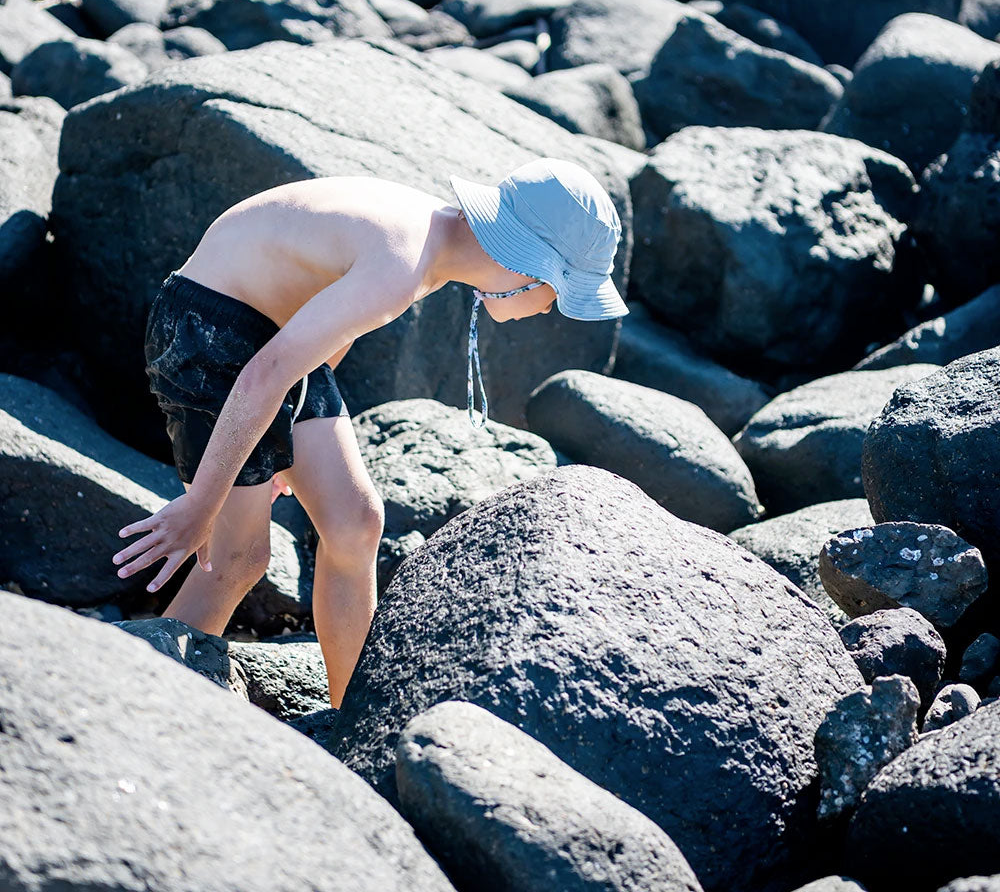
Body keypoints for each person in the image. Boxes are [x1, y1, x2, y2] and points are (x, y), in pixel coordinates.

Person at [113, 156, 628, 707]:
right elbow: (264, 372)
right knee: (238, 558)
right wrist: (202, 504)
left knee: (356, 521)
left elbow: (321, 341)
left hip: (273, 340)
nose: (551, 309)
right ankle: (144, 705)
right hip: (208, 331)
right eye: (559, 293)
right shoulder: (403, 262)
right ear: (527, 265)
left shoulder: (434, 245)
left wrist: (282, 441)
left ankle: (350, 716)